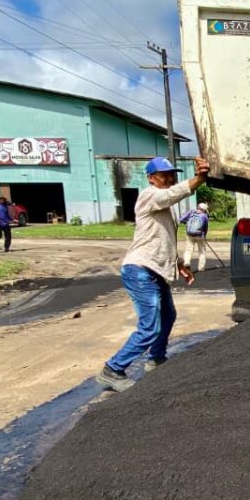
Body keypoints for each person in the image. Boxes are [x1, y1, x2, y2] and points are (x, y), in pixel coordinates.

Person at [97, 155, 211, 392]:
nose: (170, 179)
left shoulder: (165, 209)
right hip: (140, 270)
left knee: (168, 316)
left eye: (172, 175)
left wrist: (180, 264)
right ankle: (113, 369)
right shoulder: (149, 195)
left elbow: (164, 240)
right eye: (164, 175)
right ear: (151, 178)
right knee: (149, 327)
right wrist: (199, 179)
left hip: (155, 270)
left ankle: (156, 359)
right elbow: (170, 194)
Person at [179, 201, 210, 272]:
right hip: (200, 235)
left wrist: (186, 222)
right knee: (202, 251)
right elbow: (206, 228)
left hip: (189, 234)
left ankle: (187, 263)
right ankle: (201, 268)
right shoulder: (204, 216)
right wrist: (204, 235)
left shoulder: (191, 212)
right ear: (204, 209)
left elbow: (181, 219)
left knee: (188, 250)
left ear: (198, 207)